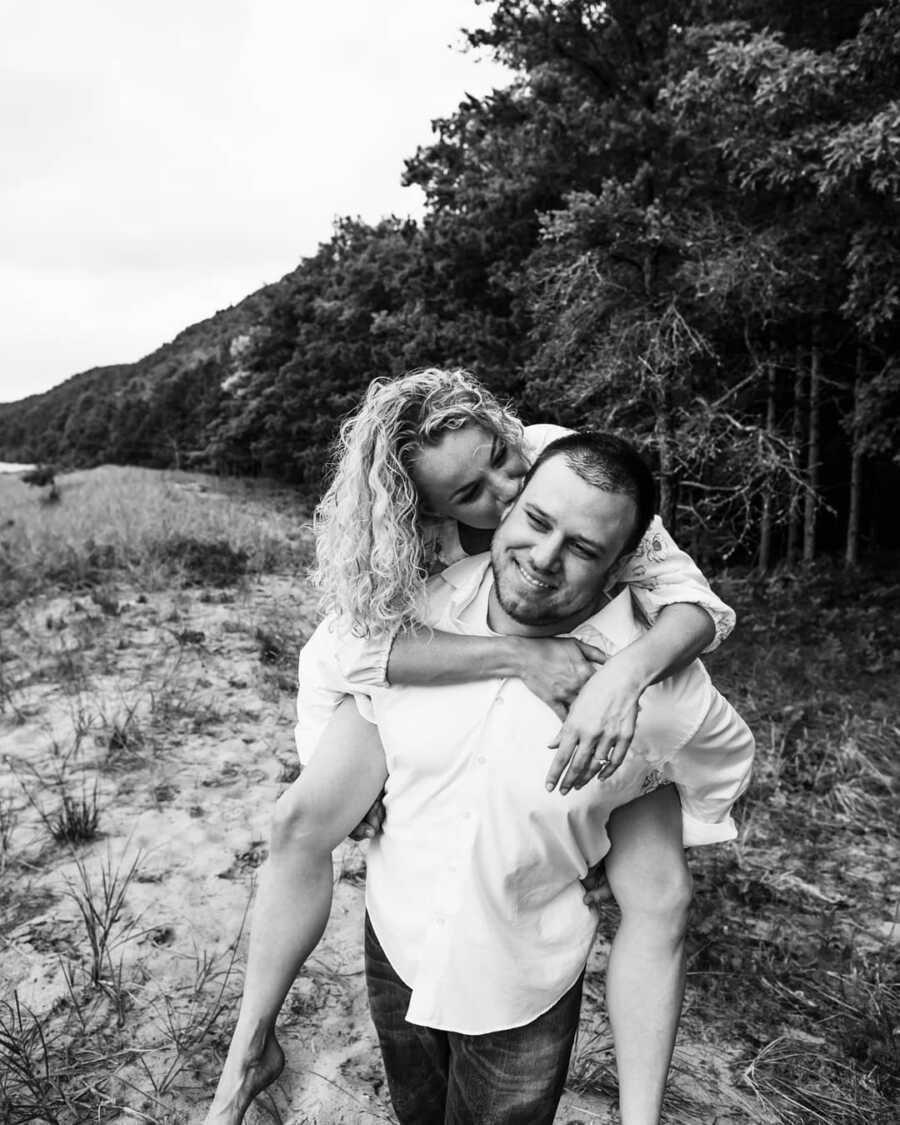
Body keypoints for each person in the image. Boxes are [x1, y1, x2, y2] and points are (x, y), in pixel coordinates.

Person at [204, 372, 738, 1124]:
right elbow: (342, 660)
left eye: (500, 458)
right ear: (432, 511)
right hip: (400, 941)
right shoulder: (418, 593)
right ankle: (249, 1051)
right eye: (474, 494)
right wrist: (512, 660)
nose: (508, 491)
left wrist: (625, 676)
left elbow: (701, 612)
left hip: (519, 984)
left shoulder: (558, 463)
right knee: (299, 819)